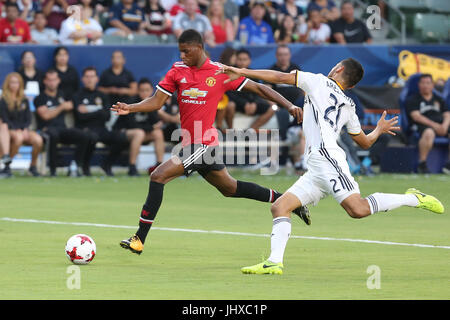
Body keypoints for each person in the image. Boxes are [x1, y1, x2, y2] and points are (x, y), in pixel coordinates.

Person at [218, 58, 445, 275]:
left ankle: (413, 198)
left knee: (358, 209)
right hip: (316, 167)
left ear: (337, 69)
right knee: (280, 207)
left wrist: (240, 71)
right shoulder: (348, 104)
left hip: (328, 159)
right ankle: (274, 263)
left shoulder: (316, 80)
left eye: (335, 66)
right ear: (353, 85)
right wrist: (378, 130)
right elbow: (364, 142)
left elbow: (279, 77)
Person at [112, 29, 308, 255]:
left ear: (198, 48)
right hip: (190, 144)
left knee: (158, 176)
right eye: (181, 51)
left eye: (186, 51)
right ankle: (289, 200)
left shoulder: (220, 72)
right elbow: (157, 102)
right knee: (230, 188)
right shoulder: (178, 71)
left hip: (203, 144)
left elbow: (260, 88)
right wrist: (131, 107)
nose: (183, 55)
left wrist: (289, 105)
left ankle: (139, 239)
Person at [73, 67, 130, 177]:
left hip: (101, 129)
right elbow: (80, 116)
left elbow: (107, 115)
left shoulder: (102, 96)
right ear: (83, 79)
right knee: (90, 137)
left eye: (92, 76)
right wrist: (99, 112)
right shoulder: (77, 95)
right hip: (84, 129)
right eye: (87, 77)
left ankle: (106, 165)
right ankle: (85, 166)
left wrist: (89, 111)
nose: (90, 79)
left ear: (97, 79)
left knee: (122, 138)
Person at [34, 69, 91, 177]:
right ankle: (53, 170)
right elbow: (45, 116)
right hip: (46, 129)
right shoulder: (40, 98)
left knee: (84, 135)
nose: (52, 82)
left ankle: (75, 166)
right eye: (49, 80)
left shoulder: (63, 94)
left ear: (58, 81)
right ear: (45, 81)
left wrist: (53, 110)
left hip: (62, 129)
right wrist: (61, 107)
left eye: (54, 80)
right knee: (53, 135)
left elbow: (70, 106)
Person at [114, 78, 166, 175]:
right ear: (138, 91)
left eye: (147, 90)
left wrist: (149, 107)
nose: (144, 93)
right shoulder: (131, 102)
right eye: (142, 90)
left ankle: (159, 166)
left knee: (158, 133)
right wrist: (151, 127)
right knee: (139, 133)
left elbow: (156, 122)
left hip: (142, 133)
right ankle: (132, 167)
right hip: (123, 131)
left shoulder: (152, 103)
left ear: (152, 91)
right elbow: (132, 125)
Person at [0, 72, 43, 177]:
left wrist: (24, 128)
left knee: (38, 140)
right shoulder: (3, 100)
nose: (14, 85)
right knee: (18, 138)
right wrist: (16, 129)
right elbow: (4, 118)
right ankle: (7, 166)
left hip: (23, 129)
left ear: (20, 84)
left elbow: (28, 118)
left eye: (16, 83)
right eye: (12, 82)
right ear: (7, 84)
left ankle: (33, 166)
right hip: (9, 129)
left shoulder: (24, 99)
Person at [405, 74, 450, 174]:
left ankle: (448, 165)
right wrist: (435, 126)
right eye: (423, 83)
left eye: (428, 83)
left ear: (432, 85)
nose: (425, 85)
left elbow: (447, 114)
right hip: (422, 126)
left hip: (441, 125)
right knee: (429, 133)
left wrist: (444, 126)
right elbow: (416, 116)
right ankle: (422, 163)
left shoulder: (439, 99)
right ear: (418, 85)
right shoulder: (413, 99)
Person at [225, 49, 277, 130]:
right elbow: (229, 93)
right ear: (235, 60)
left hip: (252, 104)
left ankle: (251, 130)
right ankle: (231, 130)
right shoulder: (230, 74)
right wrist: (244, 104)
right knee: (230, 105)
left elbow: (257, 92)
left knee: (273, 107)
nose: (242, 62)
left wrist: (254, 103)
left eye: (245, 59)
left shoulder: (253, 74)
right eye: (240, 59)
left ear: (249, 61)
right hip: (237, 104)